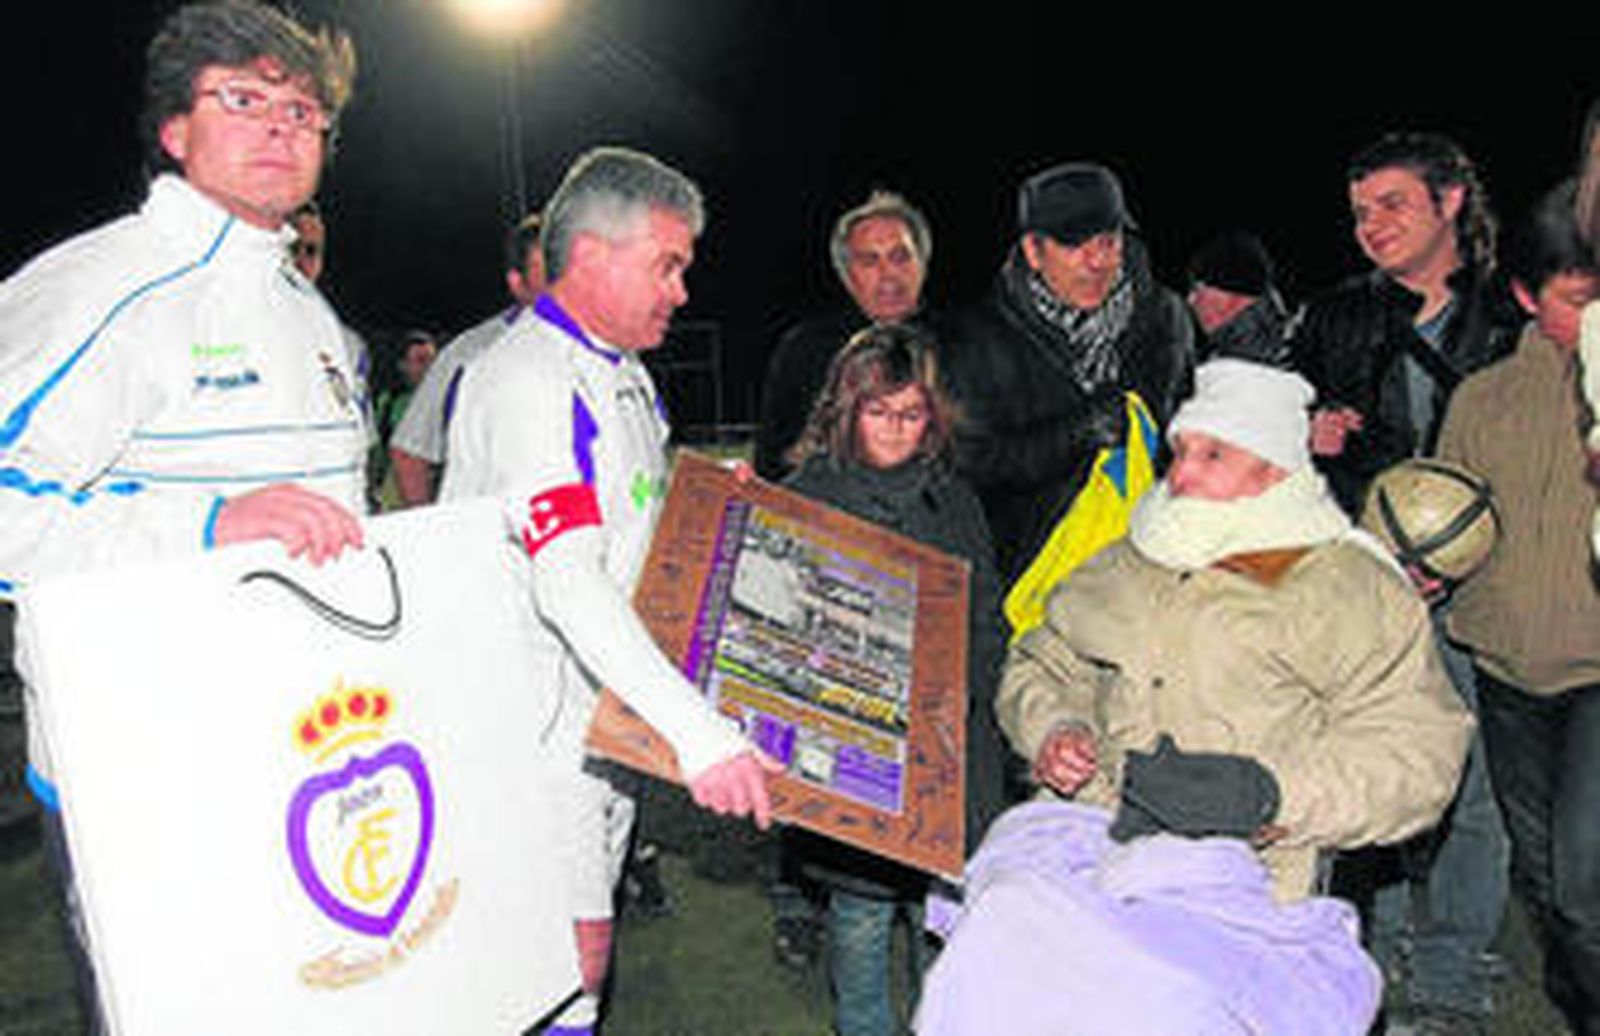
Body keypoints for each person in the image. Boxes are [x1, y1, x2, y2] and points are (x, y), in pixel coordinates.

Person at [916, 359, 1471, 1036]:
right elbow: (1042, 660)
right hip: (1093, 843)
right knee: (995, 962)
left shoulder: (1350, 587)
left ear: (1273, 470)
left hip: (1254, 879)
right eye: (1180, 450)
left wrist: (1272, 796)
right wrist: (1056, 728)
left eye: (1214, 455)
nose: (1181, 475)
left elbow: (1418, 753)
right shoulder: (1129, 559)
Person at [0, 1, 364, 1026]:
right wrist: (203, 528)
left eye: (303, 112)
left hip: (305, 754)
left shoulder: (311, 313)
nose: (282, 128)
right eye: (244, 99)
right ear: (175, 129)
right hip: (146, 771)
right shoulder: (102, 287)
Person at [439, 146, 779, 1036]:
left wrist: (706, 502)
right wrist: (701, 735)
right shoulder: (527, 381)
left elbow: (633, 525)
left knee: (581, 961)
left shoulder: (624, 376)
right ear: (591, 255)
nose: (681, 292)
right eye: (666, 266)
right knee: (565, 960)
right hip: (535, 734)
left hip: (607, 722)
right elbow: (566, 581)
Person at [1292, 133, 1516, 1031]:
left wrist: (1464, 554)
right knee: (1370, 781)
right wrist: (1308, 433)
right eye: (1358, 213)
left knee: (1479, 794)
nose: (1371, 227)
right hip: (1370, 588)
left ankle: (1454, 979)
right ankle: (1366, 968)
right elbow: (1279, 438)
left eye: (1392, 205)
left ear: (1451, 202)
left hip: (1489, 591)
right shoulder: (1335, 317)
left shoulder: (1517, 314)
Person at [779, 324, 1007, 1036]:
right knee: (861, 919)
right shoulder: (807, 497)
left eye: (911, 415)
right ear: (846, 411)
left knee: (944, 929)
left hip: (946, 759)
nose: (896, 430)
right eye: (879, 412)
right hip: (852, 763)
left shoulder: (955, 502)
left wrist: (977, 694)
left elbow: (987, 619)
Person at [1437, 182, 1600, 1036]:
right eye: (1581, 298)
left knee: (1583, 881)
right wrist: (1427, 565)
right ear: (1529, 298)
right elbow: (1449, 523)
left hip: (1596, 675)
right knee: (1542, 881)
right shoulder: (1482, 400)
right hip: (1504, 674)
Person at [936, 161, 1192, 585]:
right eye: (1074, 245)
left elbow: (1184, 433)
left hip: (1143, 574)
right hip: (1035, 584)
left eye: (1108, 241)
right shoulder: (974, 336)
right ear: (1033, 252)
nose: (1097, 261)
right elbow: (969, 466)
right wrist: (1076, 434)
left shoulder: (1166, 316)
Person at [755, 189, 933, 481]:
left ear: (922, 263)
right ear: (846, 275)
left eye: (900, 257)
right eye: (869, 261)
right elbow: (774, 462)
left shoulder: (965, 345)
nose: (888, 274)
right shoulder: (803, 351)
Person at [388, 212, 548, 507]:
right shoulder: (470, 354)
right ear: (518, 284)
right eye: (547, 274)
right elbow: (409, 452)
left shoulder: (612, 353)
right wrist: (432, 535)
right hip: (500, 543)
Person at [1185, 231, 1293, 366]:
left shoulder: (1233, 372)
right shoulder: (1275, 358)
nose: (1190, 300)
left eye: (1197, 290)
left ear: (1230, 299)